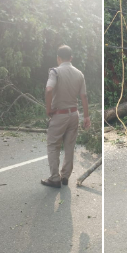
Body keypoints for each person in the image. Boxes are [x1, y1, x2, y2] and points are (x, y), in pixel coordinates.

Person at [41, 45, 91, 188]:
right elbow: (84, 96)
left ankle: (54, 178)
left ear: (58, 58)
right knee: (69, 146)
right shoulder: (79, 74)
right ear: (71, 58)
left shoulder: (55, 72)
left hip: (59, 115)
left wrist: (48, 108)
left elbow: (49, 89)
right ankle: (65, 177)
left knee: (53, 145)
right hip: (74, 114)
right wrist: (86, 117)